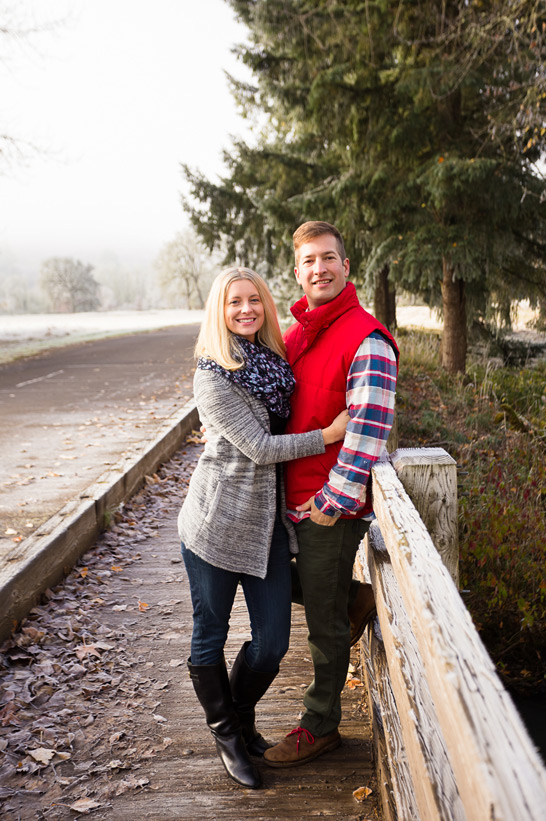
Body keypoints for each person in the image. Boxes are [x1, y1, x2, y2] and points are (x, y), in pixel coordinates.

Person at [179, 266, 350, 789]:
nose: (246, 309)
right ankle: (227, 731)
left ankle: (236, 713)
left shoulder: (272, 363)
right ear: (220, 311)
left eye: (254, 300)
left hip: (266, 526)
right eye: (235, 303)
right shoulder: (212, 374)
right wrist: (329, 435)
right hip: (215, 523)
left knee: (272, 642)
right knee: (209, 634)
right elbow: (259, 449)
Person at [263, 221, 399, 768]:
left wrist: (331, 505)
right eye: (308, 262)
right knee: (275, 582)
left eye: (328, 259)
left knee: (321, 626)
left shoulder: (365, 338)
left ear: (346, 267)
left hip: (326, 507)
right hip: (287, 499)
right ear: (297, 272)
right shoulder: (296, 335)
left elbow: (368, 426)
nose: (318, 269)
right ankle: (353, 600)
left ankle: (320, 726)